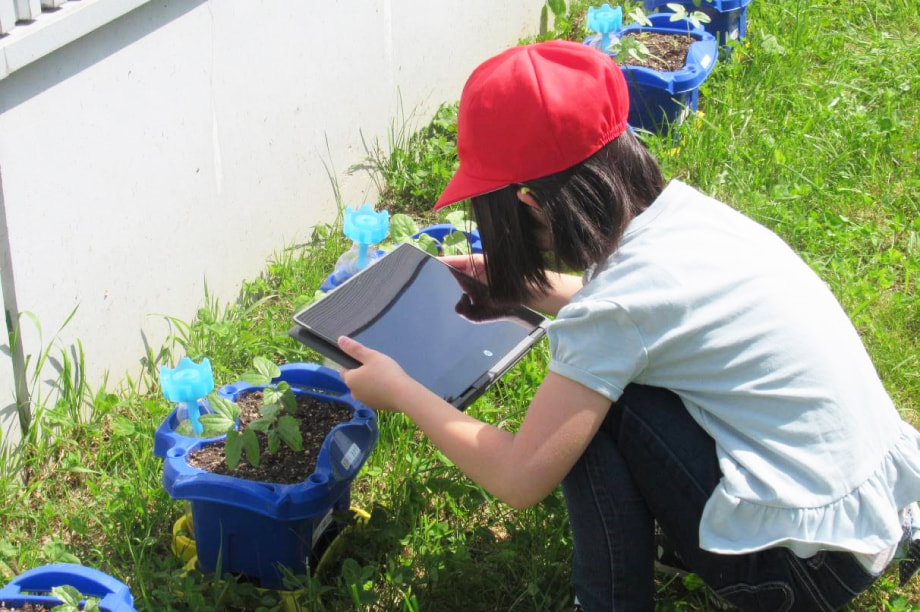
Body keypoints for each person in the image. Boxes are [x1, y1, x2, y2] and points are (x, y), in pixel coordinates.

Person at [335, 40, 920, 612]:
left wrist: (402, 392)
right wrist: (521, 287)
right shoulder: (688, 218)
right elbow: (637, 314)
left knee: (596, 413)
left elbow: (520, 478)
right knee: (611, 381)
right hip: (870, 516)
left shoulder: (617, 314)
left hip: (796, 573)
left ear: (532, 205)